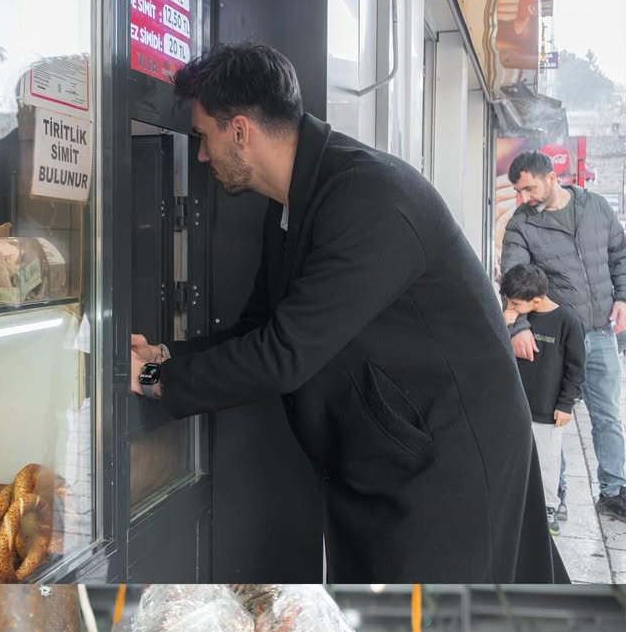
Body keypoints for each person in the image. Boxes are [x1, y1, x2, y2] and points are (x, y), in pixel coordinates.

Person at [130, 43, 563, 583]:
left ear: (240, 130)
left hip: (448, 467)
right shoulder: (297, 201)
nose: (200, 156)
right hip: (391, 455)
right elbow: (260, 329)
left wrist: (153, 378)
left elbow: (284, 354)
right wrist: (166, 355)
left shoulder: (368, 198)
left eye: (203, 137)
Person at [501, 150, 626, 523]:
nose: (523, 198)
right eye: (518, 191)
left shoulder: (597, 208)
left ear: (551, 176)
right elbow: (512, 280)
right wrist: (519, 327)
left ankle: (615, 490)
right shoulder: (521, 225)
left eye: (528, 188)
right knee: (551, 420)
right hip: (551, 337)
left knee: (607, 414)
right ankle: (555, 496)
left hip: (600, 331)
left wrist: (622, 296)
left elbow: (620, 255)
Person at [500, 263, 585, 536]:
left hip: (548, 410)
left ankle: (548, 507)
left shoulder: (568, 322)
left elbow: (576, 367)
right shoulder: (517, 320)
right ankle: (516, 505)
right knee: (515, 457)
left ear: (536, 300)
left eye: (514, 302)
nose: (510, 306)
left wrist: (565, 404)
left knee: (547, 462)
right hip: (516, 405)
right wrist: (507, 323)